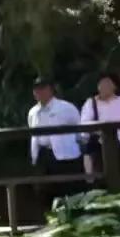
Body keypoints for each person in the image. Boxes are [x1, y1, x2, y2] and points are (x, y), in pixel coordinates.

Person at [28, 76, 83, 210]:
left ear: (51, 90)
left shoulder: (66, 108)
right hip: (43, 154)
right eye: (36, 90)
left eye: (43, 89)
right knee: (43, 190)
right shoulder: (33, 112)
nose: (39, 92)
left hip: (65, 154)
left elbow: (80, 129)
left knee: (68, 188)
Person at [80, 72, 120, 184]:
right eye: (102, 84)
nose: (104, 86)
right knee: (103, 181)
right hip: (101, 147)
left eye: (108, 83)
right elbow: (85, 126)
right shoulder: (90, 103)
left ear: (115, 86)